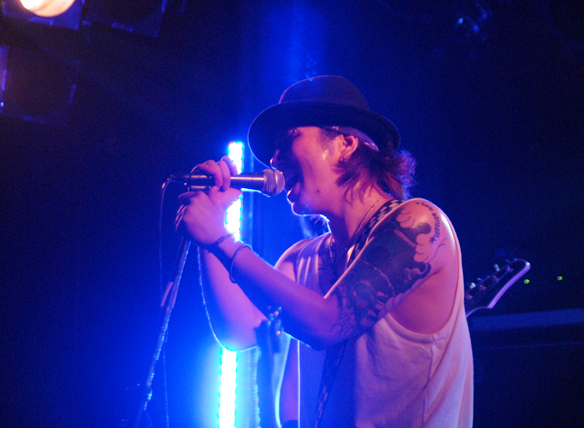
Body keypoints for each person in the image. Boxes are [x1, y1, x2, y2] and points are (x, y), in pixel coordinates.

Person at [176, 76, 473, 428]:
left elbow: (329, 322)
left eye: (289, 138)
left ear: (346, 142)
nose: (273, 159)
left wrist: (221, 240)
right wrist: (211, 231)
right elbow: (238, 331)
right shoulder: (303, 258)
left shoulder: (419, 223)